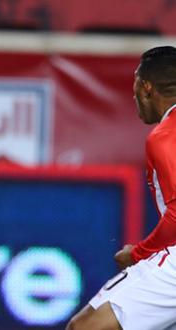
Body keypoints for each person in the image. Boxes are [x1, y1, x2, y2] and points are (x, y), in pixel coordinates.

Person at [67, 46, 176, 330]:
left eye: (135, 87)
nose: (134, 97)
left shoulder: (164, 136)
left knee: (84, 327)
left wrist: (138, 253)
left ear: (147, 88)